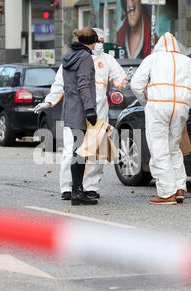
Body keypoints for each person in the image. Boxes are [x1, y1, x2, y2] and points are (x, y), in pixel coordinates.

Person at [35, 28, 130, 201]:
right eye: (97, 40)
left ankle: (89, 186)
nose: (99, 44)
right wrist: (49, 101)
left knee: (94, 153)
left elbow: (119, 79)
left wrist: (126, 79)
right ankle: (68, 186)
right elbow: (61, 85)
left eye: (102, 41)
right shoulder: (79, 59)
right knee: (73, 151)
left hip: (97, 113)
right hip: (85, 111)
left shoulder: (107, 60)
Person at [130, 32, 191, 205]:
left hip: (159, 106)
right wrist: (184, 105)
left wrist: (147, 101)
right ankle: (179, 187)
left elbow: (136, 84)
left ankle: (167, 192)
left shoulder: (152, 59)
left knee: (159, 148)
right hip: (181, 107)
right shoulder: (189, 62)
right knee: (174, 147)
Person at [51, 28, 99, 206]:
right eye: (94, 42)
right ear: (91, 41)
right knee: (80, 151)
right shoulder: (85, 57)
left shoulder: (68, 56)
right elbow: (83, 84)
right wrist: (90, 109)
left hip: (70, 108)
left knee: (77, 150)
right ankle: (78, 192)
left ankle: (75, 189)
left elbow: (69, 85)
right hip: (81, 109)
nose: (95, 45)